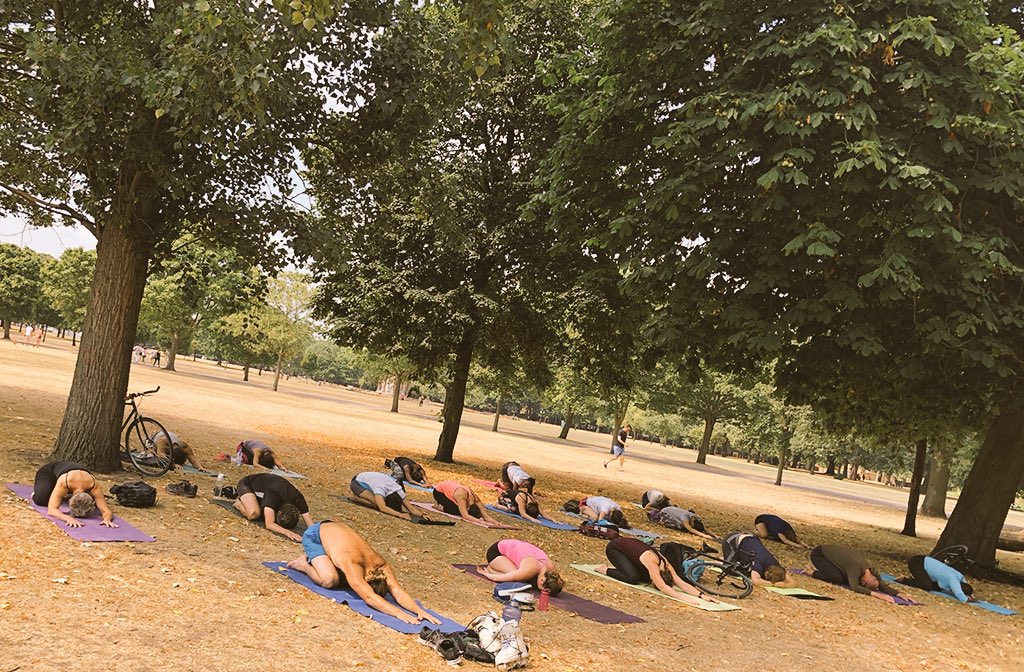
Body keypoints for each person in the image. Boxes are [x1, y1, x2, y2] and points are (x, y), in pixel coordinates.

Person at [287, 521, 442, 625]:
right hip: (315, 536)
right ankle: (303, 564)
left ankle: (323, 561)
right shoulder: (352, 563)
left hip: (334, 530)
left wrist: (419, 610)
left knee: (338, 576)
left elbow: (397, 591)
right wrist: (397, 613)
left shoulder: (380, 565)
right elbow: (369, 597)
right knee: (330, 580)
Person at [595, 537, 718, 605]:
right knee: (632, 578)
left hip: (631, 551)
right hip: (615, 548)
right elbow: (663, 587)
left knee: (641, 577)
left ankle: (626, 567)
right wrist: (685, 599)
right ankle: (604, 569)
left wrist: (702, 595)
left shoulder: (667, 565)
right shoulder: (653, 565)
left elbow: (682, 583)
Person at [806, 544, 914, 603]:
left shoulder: (872, 569)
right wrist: (878, 595)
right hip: (819, 554)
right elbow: (854, 587)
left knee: (844, 579)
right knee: (838, 579)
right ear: (863, 581)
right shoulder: (855, 567)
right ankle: (811, 572)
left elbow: (882, 585)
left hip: (832, 556)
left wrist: (899, 594)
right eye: (865, 585)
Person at [31, 461, 117, 528]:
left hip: (75, 472)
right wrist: (67, 518)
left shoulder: (93, 485)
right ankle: (44, 489)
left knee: (55, 496)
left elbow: (106, 511)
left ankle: (54, 491)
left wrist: (107, 520)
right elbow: (51, 510)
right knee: (41, 500)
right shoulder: (65, 482)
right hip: (49, 472)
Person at [233, 473, 312, 542]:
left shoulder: (298, 499)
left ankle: (255, 501)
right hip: (247, 484)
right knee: (254, 514)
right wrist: (288, 532)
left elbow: (310, 525)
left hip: (268, 486)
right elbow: (269, 524)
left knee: (263, 513)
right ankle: (238, 503)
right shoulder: (273, 495)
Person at [479, 539, 565, 596]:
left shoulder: (551, 569)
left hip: (515, 547)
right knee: (519, 579)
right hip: (497, 552)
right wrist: (487, 574)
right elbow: (497, 578)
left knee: (526, 579)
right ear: (542, 580)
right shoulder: (528, 569)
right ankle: (492, 568)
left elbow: (555, 582)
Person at [722, 532, 795, 587]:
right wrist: (772, 584)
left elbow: (794, 583)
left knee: (744, 568)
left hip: (749, 539)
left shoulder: (775, 564)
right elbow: (756, 581)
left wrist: (784, 585)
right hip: (732, 540)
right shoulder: (758, 565)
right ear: (765, 573)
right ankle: (719, 561)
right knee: (731, 570)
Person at [350, 471, 421, 521]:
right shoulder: (380, 489)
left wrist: (422, 515)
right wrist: (400, 514)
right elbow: (382, 508)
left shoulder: (398, 490)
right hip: (357, 482)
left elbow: (411, 508)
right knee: (376, 503)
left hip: (371, 479)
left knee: (379, 501)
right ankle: (355, 498)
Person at [903, 555, 974, 603]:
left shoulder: (959, 577)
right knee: (927, 586)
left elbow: (964, 583)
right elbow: (959, 595)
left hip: (923, 562)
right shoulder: (953, 580)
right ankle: (904, 580)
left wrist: (970, 595)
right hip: (917, 563)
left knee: (938, 588)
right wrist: (967, 599)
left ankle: (917, 579)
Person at [432, 480, 500, 525]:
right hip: (439, 492)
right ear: (468, 507)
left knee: (460, 508)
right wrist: (480, 522)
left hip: (451, 492)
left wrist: (495, 522)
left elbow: (486, 517)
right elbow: (465, 515)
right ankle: (438, 506)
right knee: (455, 510)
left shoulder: (476, 499)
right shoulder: (461, 496)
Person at [647, 505, 715, 540]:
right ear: (692, 520)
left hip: (672, 510)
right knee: (680, 527)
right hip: (665, 512)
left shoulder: (695, 517)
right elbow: (690, 529)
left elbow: (704, 528)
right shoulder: (685, 517)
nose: (691, 525)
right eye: (692, 525)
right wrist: (704, 535)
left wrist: (714, 535)